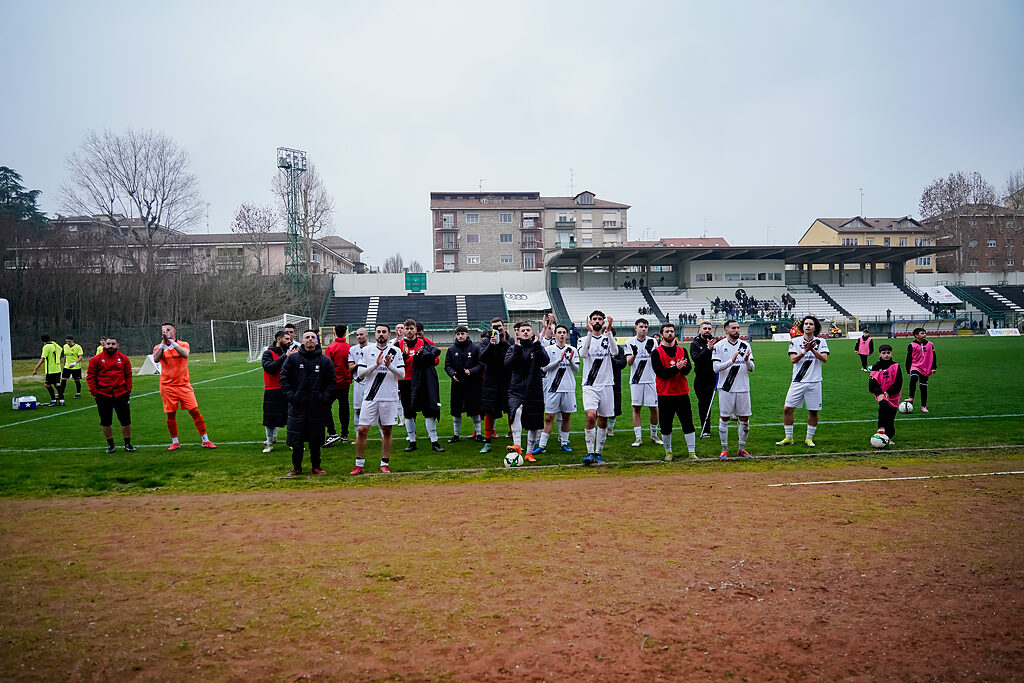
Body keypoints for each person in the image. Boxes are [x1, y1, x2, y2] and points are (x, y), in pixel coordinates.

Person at [152, 322, 216, 450]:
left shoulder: (183, 344)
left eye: (168, 329)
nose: (165, 332)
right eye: (163, 330)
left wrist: (172, 343)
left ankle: (205, 440)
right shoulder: (158, 347)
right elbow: (156, 359)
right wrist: (163, 345)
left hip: (184, 385)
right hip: (167, 386)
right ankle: (175, 442)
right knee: (170, 414)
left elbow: (185, 354)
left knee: (194, 411)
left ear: (174, 331)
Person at [279, 330, 335, 476]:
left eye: (312, 337)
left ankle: (316, 466)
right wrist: (292, 397)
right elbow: (284, 379)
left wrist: (323, 398)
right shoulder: (292, 359)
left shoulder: (325, 360)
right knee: (296, 440)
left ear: (317, 341)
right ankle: (296, 467)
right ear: (302, 341)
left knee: (315, 440)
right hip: (297, 406)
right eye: (307, 337)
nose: (310, 339)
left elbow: (331, 382)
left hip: (316, 407)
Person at [352, 324, 405, 475]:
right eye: (378, 332)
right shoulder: (366, 350)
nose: (381, 334)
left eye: (384, 332)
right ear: (374, 334)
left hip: (389, 397)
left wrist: (389, 366)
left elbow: (401, 374)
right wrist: (375, 365)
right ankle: (359, 464)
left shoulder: (395, 351)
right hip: (370, 397)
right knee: (362, 430)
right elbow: (360, 373)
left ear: (389, 334)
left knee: (387, 430)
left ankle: (384, 463)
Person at [777, 315, 830, 448]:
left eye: (811, 324)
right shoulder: (795, 341)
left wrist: (812, 349)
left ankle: (809, 438)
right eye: (806, 324)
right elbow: (793, 359)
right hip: (798, 381)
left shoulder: (821, 342)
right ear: (802, 326)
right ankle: (789, 437)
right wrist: (804, 351)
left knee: (813, 411)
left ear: (815, 327)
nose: (808, 326)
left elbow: (824, 359)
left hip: (814, 381)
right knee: (787, 409)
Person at [650, 322, 696, 460]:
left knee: (687, 423)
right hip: (665, 394)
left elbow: (687, 370)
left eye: (671, 331)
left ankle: (692, 452)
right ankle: (668, 451)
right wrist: (677, 367)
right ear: (662, 334)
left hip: (682, 393)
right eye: (667, 331)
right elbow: (661, 373)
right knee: (666, 425)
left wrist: (682, 368)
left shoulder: (682, 350)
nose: (670, 333)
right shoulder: (656, 353)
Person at [399, 318, 444, 452]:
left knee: (428, 411)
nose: (409, 331)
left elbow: (435, 358)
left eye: (411, 328)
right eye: (407, 328)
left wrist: (423, 356)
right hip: (405, 381)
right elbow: (395, 364)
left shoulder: (423, 343)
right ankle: (412, 442)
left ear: (416, 330)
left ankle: (434, 441)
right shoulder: (398, 345)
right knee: (408, 413)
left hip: (422, 381)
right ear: (403, 330)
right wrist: (404, 355)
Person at [504, 321, 548, 461]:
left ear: (532, 333)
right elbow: (508, 364)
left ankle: (529, 453)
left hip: (534, 389)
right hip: (516, 388)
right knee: (515, 411)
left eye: (528, 330)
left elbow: (545, 361)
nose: (525, 332)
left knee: (533, 422)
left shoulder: (537, 347)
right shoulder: (512, 348)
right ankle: (517, 444)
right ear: (518, 333)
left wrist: (538, 347)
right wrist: (517, 350)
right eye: (523, 330)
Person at [578, 310, 617, 466]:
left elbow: (615, 352)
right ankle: (589, 452)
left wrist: (609, 332)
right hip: (590, 385)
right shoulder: (582, 339)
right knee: (591, 416)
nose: (597, 321)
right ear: (590, 322)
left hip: (606, 384)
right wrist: (589, 334)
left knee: (603, 420)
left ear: (604, 322)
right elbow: (583, 354)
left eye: (600, 319)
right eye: (594, 319)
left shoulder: (608, 338)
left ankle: (598, 453)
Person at [712, 320, 755, 458]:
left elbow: (752, 368)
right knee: (724, 418)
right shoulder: (719, 346)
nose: (737, 330)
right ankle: (724, 449)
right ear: (726, 330)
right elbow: (716, 368)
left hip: (743, 387)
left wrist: (747, 361)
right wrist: (731, 361)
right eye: (733, 328)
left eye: (738, 328)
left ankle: (741, 449)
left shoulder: (745, 345)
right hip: (726, 388)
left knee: (744, 419)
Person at [86, 336, 135, 453]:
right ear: (104, 345)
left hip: (121, 394)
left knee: (126, 420)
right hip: (103, 395)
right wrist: (94, 392)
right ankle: (111, 445)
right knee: (106, 421)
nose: (110, 346)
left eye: (113, 344)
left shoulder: (123, 358)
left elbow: (128, 374)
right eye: (108, 344)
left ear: (117, 345)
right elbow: (91, 376)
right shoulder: (96, 359)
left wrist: (128, 389)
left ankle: (127, 444)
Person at [536, 323, 578, 454]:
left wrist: (570, 360)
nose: (562, 335)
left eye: (564, 332)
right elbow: (544, 368)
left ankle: (564, 443)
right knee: (549, 417)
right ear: (555, 335)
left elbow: (576, 369)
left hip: (568, 388)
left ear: (567, 335)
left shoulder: (572, 349)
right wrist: (559, 360)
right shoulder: (548, 349)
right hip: (553, 388)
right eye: (559, 332)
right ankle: (542, 445)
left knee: (566, 417)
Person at [624, 318, 662, 447]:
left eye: (646, 327)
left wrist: (651, 352)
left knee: (653, 408)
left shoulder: (653, 341)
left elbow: (657, 360)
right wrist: (634, 354)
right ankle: (638, 438)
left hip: (650, 379)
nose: (644, 329)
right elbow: (629, 363)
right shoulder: (629, 342)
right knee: (636, 408)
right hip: (636, 380)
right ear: (636, 328)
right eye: (641, 326)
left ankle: (654, 435)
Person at [445, 325, 483, 443]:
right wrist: (452, 374)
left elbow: (481, 364)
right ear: (456, 335)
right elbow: (447, 365)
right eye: (458, 334)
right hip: (457, 384)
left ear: (467, 334)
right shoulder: (451, 349)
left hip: (473, 384)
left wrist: (471, 371)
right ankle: (456, 435)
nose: (460, 336)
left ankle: (479, 434)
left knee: (475, 409)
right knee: (456, 410)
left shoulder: (475, 348)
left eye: (462, 333)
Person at [478, 317, 511, 454]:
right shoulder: (485, 341)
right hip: (490, 381)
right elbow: (482, 358)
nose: (497, 329)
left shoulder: (509, 340)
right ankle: (487, 441)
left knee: (511, 410)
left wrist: (503, 342)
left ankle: (515, 440)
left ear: (504, 326)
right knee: (489, 411)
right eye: (494, 327)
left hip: (507, 381)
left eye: (499, 326)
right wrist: (491, 345)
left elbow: (514, 354)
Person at [260, 330, 292, 453]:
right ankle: (269, 443)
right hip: (272, 390)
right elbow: (270, 368)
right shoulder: (268, 353)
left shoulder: (287, 353)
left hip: (286, 389)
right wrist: (285, 357)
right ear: (279, 339)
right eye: (287, 339)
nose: (289, 341)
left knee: (290, 417)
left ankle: (292, 442)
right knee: (270, 418)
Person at [323, 325, 353, 446]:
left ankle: (332, 432)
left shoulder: (330, 348)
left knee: (325, 406)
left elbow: (326, 366)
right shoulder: (350, 348)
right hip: (345, 382)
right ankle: (344, 434)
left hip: (333, 383)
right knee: (344, 407)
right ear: (345, 333)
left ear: (334, 333)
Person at [689, 321, 719, 438]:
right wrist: (707, 349)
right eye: (705, 328)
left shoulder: (717, 342)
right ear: (700, 330)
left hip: (715, 378)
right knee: (704, 404)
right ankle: (705, 429)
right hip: (701, 379)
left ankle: (724, 424)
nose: (707, 330)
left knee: (722, 400)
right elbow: (696, 359)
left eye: (709, 329)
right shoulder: (695, 344)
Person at [869, 344, 902, 444]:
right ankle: (881, 427)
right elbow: (872, 383)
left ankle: (889, 436)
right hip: (881, 395)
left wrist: (889, 392)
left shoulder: (896, 366)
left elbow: (898, 382)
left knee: (891, 416)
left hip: (893, 395)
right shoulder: (876, 367)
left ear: (891, 354)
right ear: (879, 354)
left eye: (888, 353)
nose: (886, 355)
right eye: (884, 353)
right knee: (883, 406)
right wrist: (879, 393)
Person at [905, 327, 936, 413]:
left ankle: (923, 406)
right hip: (915, 366)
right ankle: (911, 397)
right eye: (922, 333)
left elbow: (934, 357)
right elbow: (908, 358)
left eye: (925, 333)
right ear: (916, 335)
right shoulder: (912, 345)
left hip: (926, 368)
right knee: (914, 377)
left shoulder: (930, 344)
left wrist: (933, 367)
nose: (924, 334)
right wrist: (908, 370)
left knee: (923, 387)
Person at [348, 327, 371, 427]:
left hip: (371, 382)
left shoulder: (373, 347)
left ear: (367, 335)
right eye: (357, 335)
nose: (359, 337)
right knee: (358, 410)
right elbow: (350, 368)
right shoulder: (353, 349)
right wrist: (360, 364)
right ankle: (358, 434)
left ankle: (383, 434)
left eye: (361, 334)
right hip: (358, 382)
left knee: (377, 410)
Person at [31, 334, 63, 406]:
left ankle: (53, 400)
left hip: (50, 370)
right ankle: (62, 400)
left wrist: (35, 369)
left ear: (42, 340)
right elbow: (59, 352)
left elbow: (43, 359)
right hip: (57, 368)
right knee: (57, 384)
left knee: (47, 385)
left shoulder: (46, 347)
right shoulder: (55, 345)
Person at [608, 330, 627, 436]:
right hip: (600, 381)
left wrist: (611, 360)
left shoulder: (619, 349)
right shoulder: (598, 348)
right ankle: (598, 427)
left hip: (615, 380)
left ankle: (610, 428)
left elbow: (622, 363)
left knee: (614, 405)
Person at [60, 335, 85, 399]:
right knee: (63, 379)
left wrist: (74, 363)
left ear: (72, 340)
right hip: (67, 367)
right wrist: (64, 363)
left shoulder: (78, 347)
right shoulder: (65, 346)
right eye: (67, 341)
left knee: (76, 380)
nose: (68, 343)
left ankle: (78, 394)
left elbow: (80, 357)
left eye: (69, 341)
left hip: (76, 367)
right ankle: (61, 394)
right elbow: (65, 355)